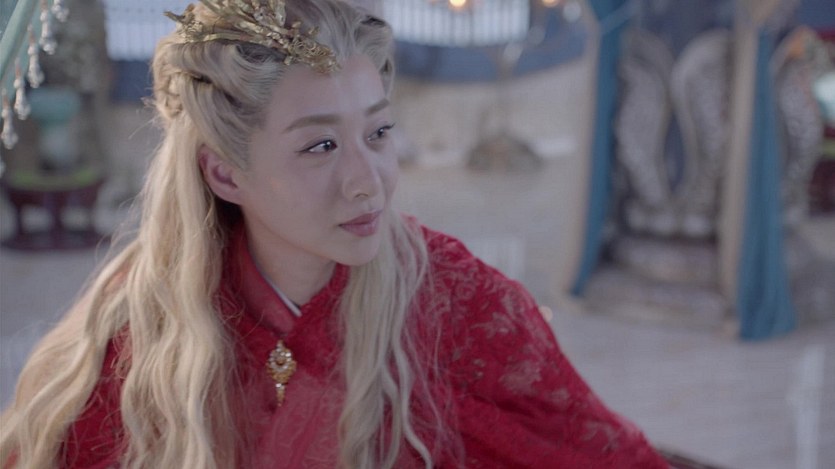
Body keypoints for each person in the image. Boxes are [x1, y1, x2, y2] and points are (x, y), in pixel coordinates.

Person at [0, 0, 669, 467]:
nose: (366, 182)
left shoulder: (458, 301)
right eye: (320, 145)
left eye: (377, 132)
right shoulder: (138, 321)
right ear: (224, 173)